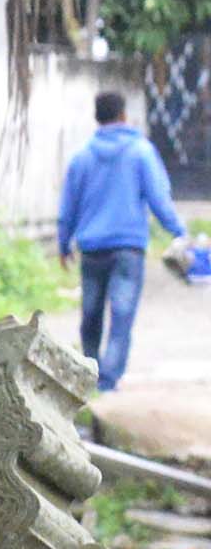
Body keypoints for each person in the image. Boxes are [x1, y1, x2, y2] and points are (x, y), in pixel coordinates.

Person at [55, 89, 186, 394]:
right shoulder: (141, 152)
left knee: (90, 313)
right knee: (122, 313)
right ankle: (109, 380)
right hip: (129, 248)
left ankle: (89, 371)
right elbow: (158, 198)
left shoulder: (82, 157)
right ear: (124, 115)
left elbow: (68, 206)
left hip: (91, 249)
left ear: (96, 117)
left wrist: (63, 244)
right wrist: (178, 231)